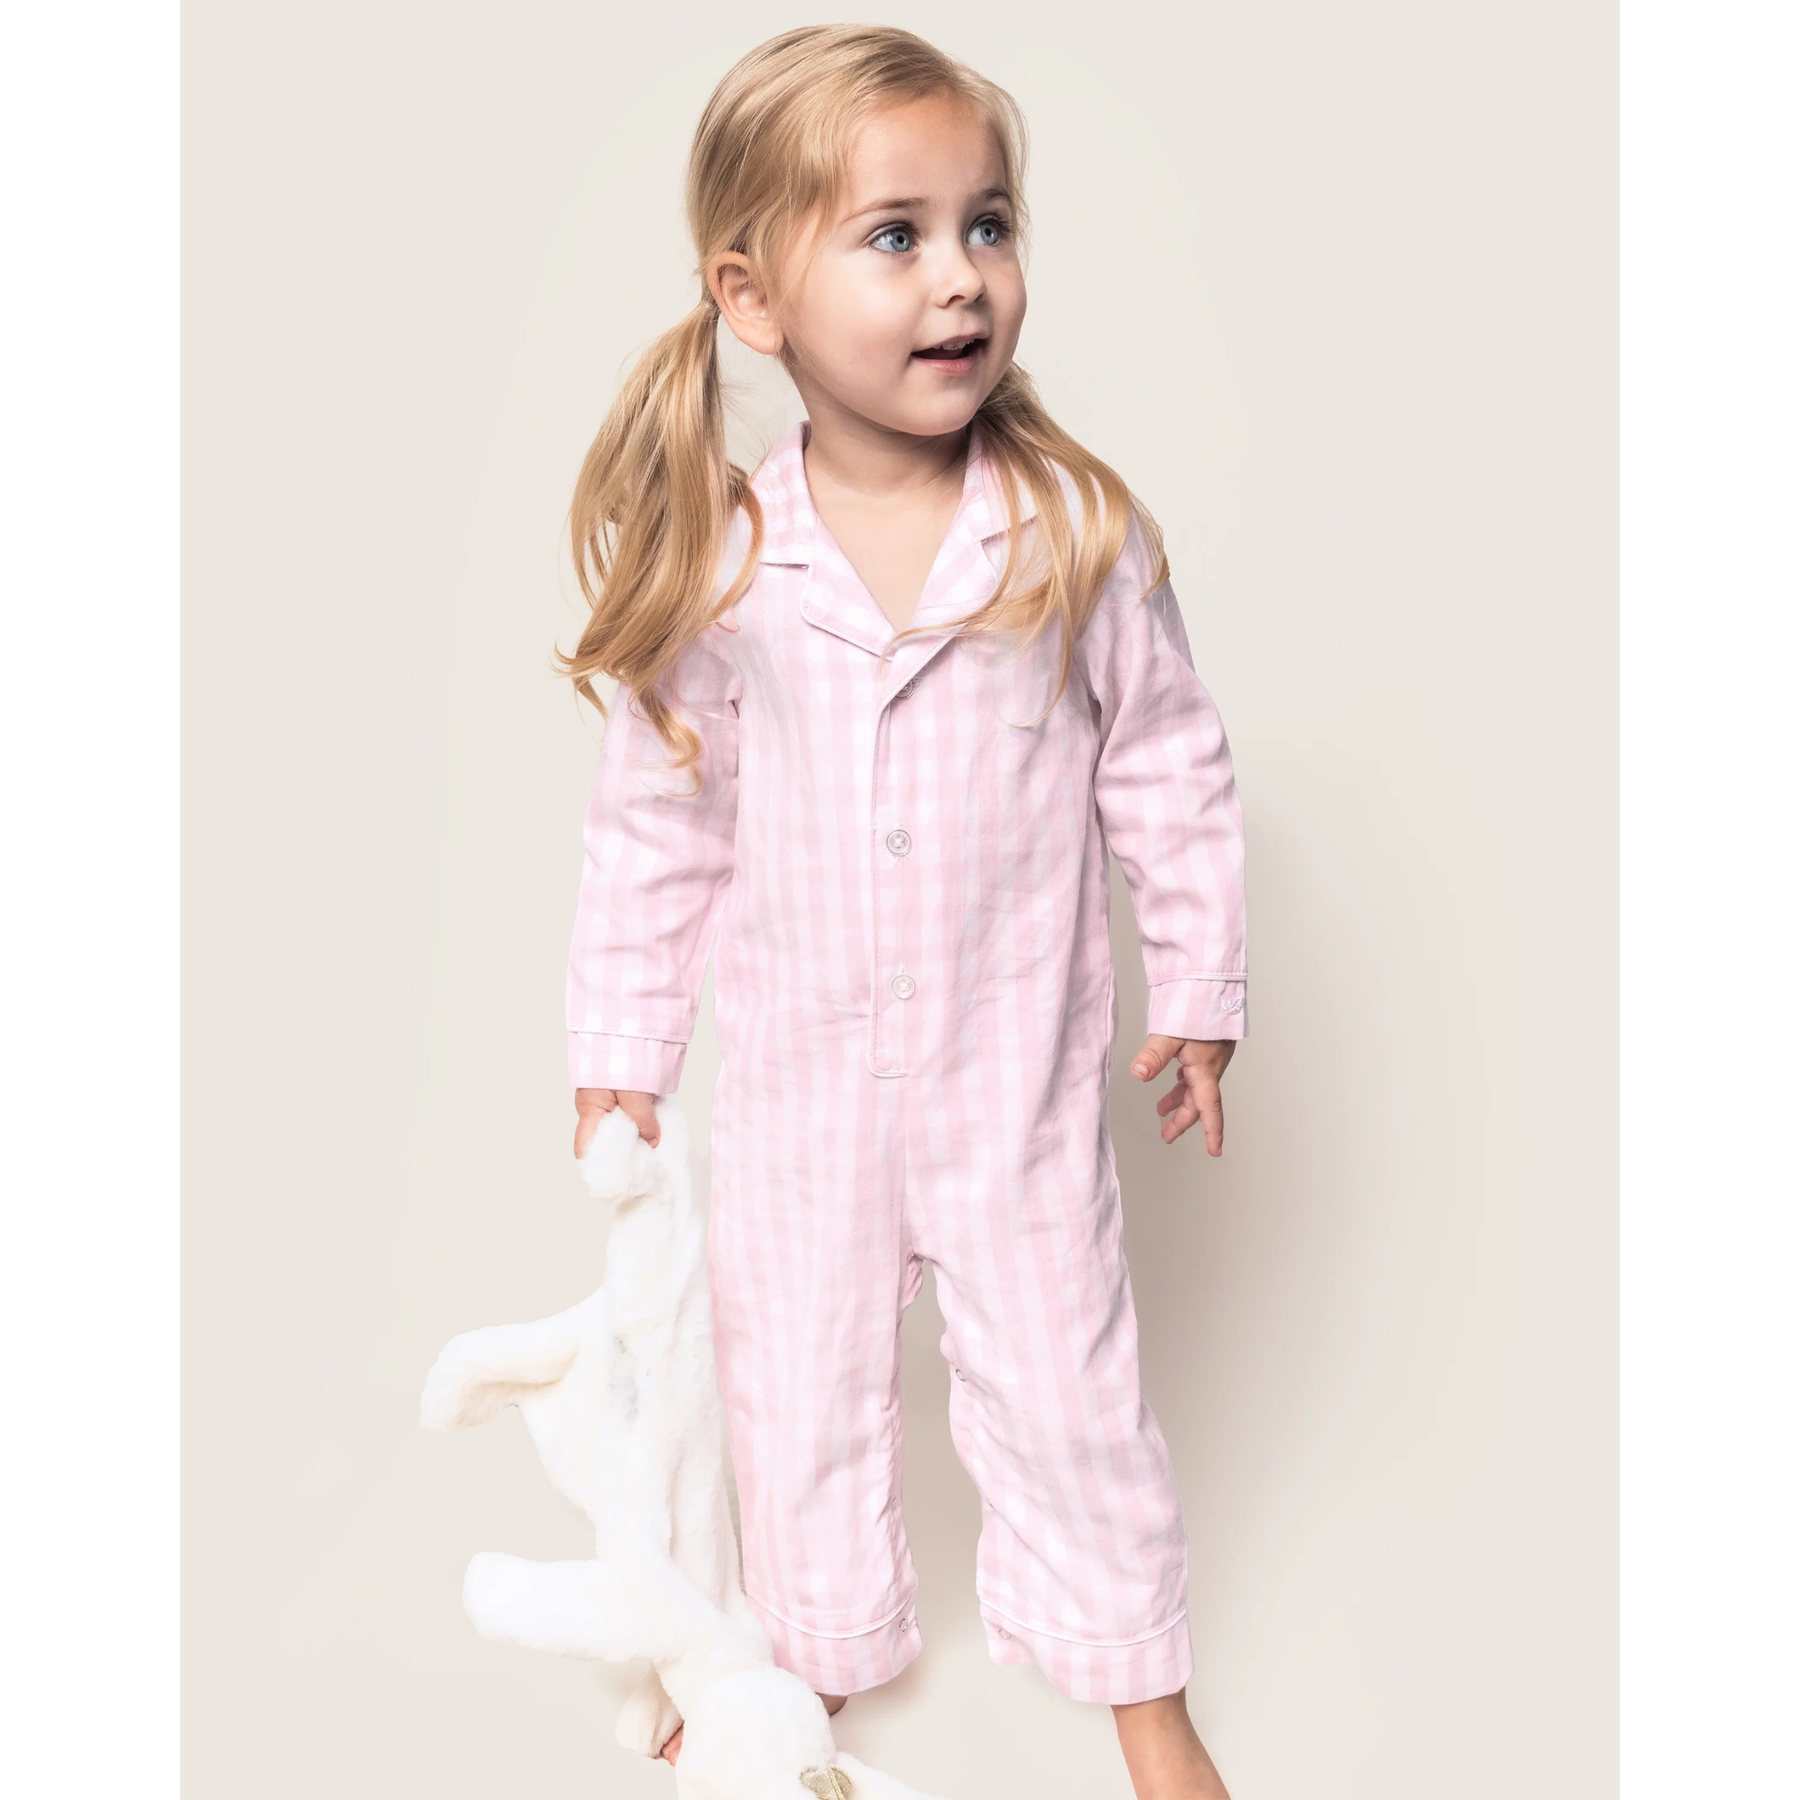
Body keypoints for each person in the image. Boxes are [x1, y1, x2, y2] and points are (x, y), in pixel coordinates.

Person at [560, 26, 1246, 1799]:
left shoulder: (1073, 532)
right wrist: (621, 1050)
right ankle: (805, 1673)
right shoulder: (729, 557)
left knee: (1072, 1397)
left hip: (1014, 1089)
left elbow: (1168, 764)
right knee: (793, 1399)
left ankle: (1146, 1699)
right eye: (896, 236)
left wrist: (1199, 984)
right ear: (753, 297)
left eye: (988, 226)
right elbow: (657, 822)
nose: (961, 278)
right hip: (803, 1101)